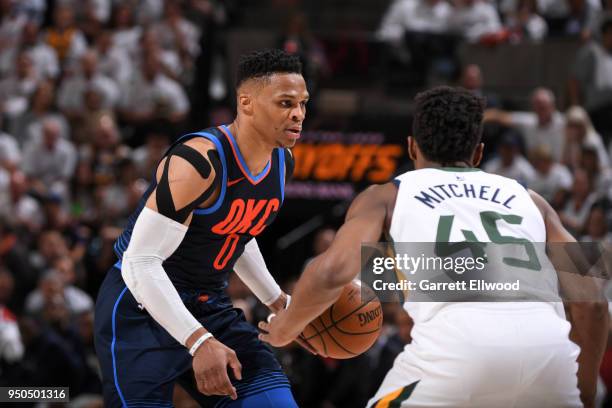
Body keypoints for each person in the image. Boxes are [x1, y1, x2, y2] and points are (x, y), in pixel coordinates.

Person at [260, 87, 608, 408]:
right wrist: (584, 391)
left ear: (412, 148)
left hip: (458, 358)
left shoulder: (386, 195)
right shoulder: (533, 200)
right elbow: (592, 299)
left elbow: (334, 271)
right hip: (549, 359)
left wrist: (285, 326)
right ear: (479, 153)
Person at [94, 49, 311, 407]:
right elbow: (140, 262)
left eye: (303, 103)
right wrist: (198, 341)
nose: (298, 114)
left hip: (208, 304)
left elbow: (238, 233)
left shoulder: (282, 161)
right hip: (139, 306)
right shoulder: (198, 160)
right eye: (286, 102)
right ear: (247, 102)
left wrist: (278, 302)